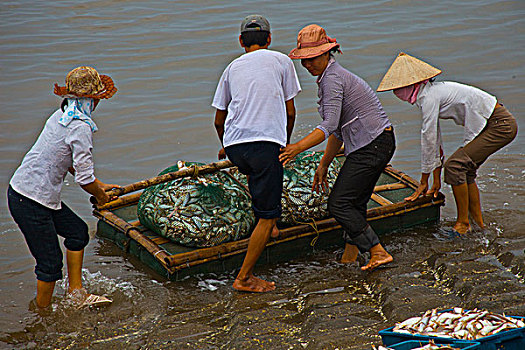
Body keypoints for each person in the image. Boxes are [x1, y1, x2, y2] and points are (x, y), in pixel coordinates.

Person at [280, 24, 395, 271]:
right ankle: (349, 257)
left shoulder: (332, 79)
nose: (308, 65)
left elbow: (329, 124)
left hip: (372, 144)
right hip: (379, 142)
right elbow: (338, 132)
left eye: (312, 59)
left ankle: (377, 251)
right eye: (304, 61)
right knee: (355, 202)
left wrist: (296, 148)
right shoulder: (330, 78)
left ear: (326, 54)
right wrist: (324, 164)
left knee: (339, 204)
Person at [8, 66, 120, 309]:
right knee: (49, 264)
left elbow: (66, 159)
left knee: (77, 232)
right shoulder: (80, 127)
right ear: (93, 100)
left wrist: (99, 185)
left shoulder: (61, 115)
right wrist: (101, 196)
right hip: (29, 199)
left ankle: (76, 293)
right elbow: (84, 179)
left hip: (28, 192)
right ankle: (43, 314)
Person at [376, 52, 517, 234]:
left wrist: (423, 181)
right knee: (465, 170)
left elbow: (428, 138)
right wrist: (435, 180)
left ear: (411, 85)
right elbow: (435, 139)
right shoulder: (428, 94)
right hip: (494, 123)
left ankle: (463, 223)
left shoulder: (429, 97)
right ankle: (478, 224)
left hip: (499, 125)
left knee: (455, 166)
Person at [212, 15, 301, 292]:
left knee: (259, 180)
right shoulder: (282, 61)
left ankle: (270, 228)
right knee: (267, 211)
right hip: (264, 146)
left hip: (236, 146)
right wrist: (285, 143)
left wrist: (227, 145)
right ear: (269, 40)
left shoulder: (231, 68)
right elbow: (289, 111)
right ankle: (245, 278)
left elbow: (218, 119)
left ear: (241, 42)